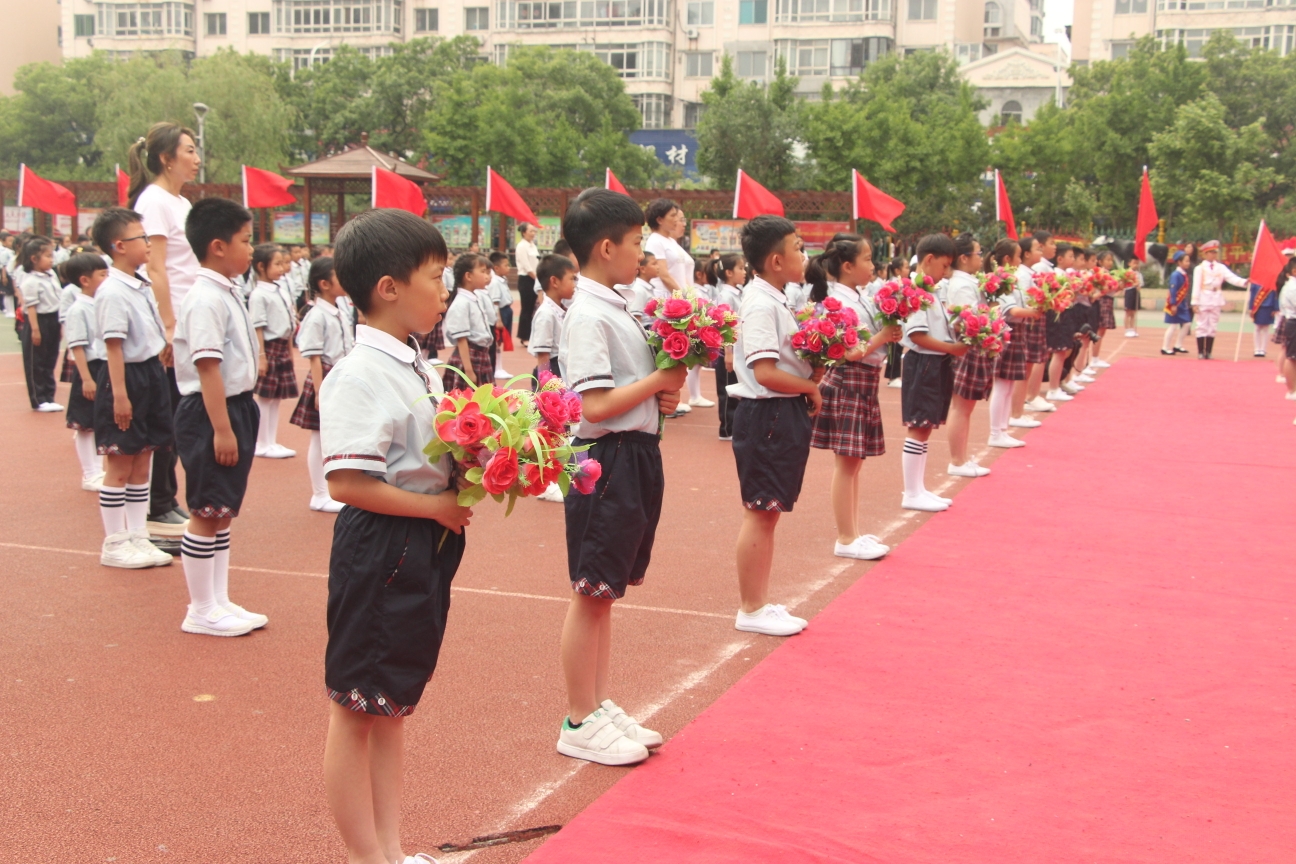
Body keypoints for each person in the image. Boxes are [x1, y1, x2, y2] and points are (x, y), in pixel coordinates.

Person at [319, 209, 471, 864]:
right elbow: (348, 483)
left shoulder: (418, 365)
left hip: (419, 544)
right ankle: (367, 856)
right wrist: (435, 506)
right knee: (358, 708)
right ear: (388, 287)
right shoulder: (358, 373)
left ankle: (391, 848)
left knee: (391, 705)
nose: (445, 290)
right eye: (436, 276)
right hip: (383, 546)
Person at [556, 188, 686, 765]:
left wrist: (665, 386)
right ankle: (578, 718)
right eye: (636, 244)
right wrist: (660, 381)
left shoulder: (617, 302)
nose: (644, 255)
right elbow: (595, 406)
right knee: (591, 591)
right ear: (606, 247)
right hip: (603, 461)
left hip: (634, 455)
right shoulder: (586, 314)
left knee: (605, 592)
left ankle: (599, 703)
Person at [172, 197, 265, 637]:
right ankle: (201, 607)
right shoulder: (205, 298)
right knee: (206, 509)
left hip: (233, 406)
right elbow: (207, 367)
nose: (252, 249)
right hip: (213, 412)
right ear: (218, 246)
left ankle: (219, 598)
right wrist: (222, 430)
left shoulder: (226, 291)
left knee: (223, 509)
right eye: (246, 240)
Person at [727, 215, 821, 636]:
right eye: (798, 247)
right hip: (768, 414)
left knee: (768, 512)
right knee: (761, 511)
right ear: (776, 261)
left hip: (780, 412)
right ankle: (751, 608)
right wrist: (809, 386)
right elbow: (763, 371)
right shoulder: (761, 303)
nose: (805, 254)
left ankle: (759, 602)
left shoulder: (775, 297)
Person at [90, 206, 176, 570]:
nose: (148, 244)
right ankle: (115, 542)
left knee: (144, 460)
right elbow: (114, 346)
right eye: (141, 238)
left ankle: (139, 535)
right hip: (125, 377)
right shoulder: (112, 290)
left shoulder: (139, 285)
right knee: (120, 464)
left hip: (151, 375)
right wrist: (120, 396)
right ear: (119, 245)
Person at [129, 121, 202, 539]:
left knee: (180, 409)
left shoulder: (180, 203)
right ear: (165, 158)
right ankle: (159, 502)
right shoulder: (154, 201)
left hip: (188, 316)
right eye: (188, 151)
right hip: (171, 320)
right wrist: (169, 324)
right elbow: (155, 266)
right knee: (170, 412)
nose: (195, 159)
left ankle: (165, 499)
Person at [806, 234, 898, 561]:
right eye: (868, 259)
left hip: (864, 381)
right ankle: (845, 536)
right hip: (849, 379)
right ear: (847, 266)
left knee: (854, 462)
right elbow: (847, 353)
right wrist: (882, 337)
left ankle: (854, 532)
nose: (873, 265)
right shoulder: (837, 302)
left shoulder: (856, 297)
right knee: (847, 463)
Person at [899, 234, 965, 512]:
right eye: (944, 265)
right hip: (923, 362)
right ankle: (911, 492)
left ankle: (919, 488)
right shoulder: (916, 291)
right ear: (929, 260)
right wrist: (953, 349)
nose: (946, 272)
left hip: (936, 362)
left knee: (926, 427)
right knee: (919, 425)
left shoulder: (933, 290)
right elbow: (919, 336)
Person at [291, 256, 353, 513]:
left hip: (339, 373)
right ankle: (318, 493)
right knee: (319, 437)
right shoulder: (316, 315)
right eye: (339, 275)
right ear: (324, 283)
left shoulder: (340, 308)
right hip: (325, 375)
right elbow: (314, 357)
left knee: (334, 436)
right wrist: (319, 391)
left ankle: (329, 490)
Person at [644, 198, 711, 412]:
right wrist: (681, 296)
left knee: (683, 347)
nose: (676, 219)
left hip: (682, 299)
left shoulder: (671, 241)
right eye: (672, 215)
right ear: (659, 219)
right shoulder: (655, 240)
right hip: (669, 300)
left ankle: (679, 395)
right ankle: (667, 396)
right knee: (670, 347)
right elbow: (662, 272)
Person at [944, 233, 995, 477]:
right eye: (978, 253)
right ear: (963, 258)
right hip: (968, 347)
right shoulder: (962, 284)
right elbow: (965, 322)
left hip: (971, 346)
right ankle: (957, 460)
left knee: (965, 407)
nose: (981, 257)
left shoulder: (967, 281)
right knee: (962, 407)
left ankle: (961, 458)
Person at [985, 239, 1041, 444]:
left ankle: (1002, 429)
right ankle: (995, 432)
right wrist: (1035, 312)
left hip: (1016, 329)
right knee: (1001, 383)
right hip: (1007, 331)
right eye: (1018, 256)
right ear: (1007, 259)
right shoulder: (1001, 280)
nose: (1020, 260)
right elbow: (1012, 310)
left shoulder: (1011, 278)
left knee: (1008, 384)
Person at [63, 252, 110, 491]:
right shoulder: (78, 309)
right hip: (89, 369)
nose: (107, 278)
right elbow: (78, 347)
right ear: (84, 280)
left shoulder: (101, 303)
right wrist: (87, 379)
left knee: (99, 420)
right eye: (102, 274)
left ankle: (99, 469)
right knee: (84, 424)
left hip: (103, 367)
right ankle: (89, 473)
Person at [248, 243, 299, 458]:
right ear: (261, 266)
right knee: (266, 398)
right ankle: (261, 443)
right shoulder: (259, 294)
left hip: (282, 345)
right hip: (269, 347)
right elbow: (258, 327)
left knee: (276, 398)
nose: (281, 268)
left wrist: (289, 349)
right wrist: (262, 357)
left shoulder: (279, 289)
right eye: (276, 264)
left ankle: (272, 440)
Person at [18, 236, 64, 412]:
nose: (51, 260)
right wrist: (35, 330)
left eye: (52, 256)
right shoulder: (31, 281)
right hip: (38, 320)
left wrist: (59, 325)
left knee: (50, 359)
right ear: (34, 259)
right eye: (47, 256)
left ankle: (49, 396)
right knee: (36, 361)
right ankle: (38, 399)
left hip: (53, 319)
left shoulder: (52, 276)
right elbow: (31, 307)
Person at [441, 253, 495, 391]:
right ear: (468, 276)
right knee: (468, 403)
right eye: (482, 272)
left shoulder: (474, 298)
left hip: (481, 354)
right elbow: (461, 339)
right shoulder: (461, 303)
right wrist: (469, 371)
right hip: (469, 357)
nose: (487, 276)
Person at [708, 254, 746, 441]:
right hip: (727, 350)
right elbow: (723, 325)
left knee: (735, 387)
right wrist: (728, 353)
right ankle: (726, 428)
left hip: (737, 349)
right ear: (729, 272)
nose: (744, 272)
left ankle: (734, 425)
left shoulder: (737, 292)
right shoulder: (725, 295)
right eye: (741, 268)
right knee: (727, 389)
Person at [1192, 239, 1247, 360]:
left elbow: (1232, 278)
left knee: (1212, 326)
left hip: (1216, 298)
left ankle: (1209, 351)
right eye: (1211, 252)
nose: (1214, 254)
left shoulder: (1220, 267)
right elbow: (1196, 286)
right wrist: (1194, 302)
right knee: (1201, 325)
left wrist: (1244, 282)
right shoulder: (1199, 269)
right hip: (1203, 297)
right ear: (1205, 254)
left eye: (1215, 252)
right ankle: (1201, 351)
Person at [529, 253, 575, 383]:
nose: (574, 284)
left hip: (562, 367)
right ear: (554, 281)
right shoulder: (546, 314)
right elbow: (543, 354)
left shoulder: (559, 309)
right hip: (552, 371)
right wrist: (546, 386)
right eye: (571, 279)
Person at [882, 256, 909, 388]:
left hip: (899, 320)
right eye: (906, 267)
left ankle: (894, 375)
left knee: (897, 349)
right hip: (893, 321)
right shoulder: (893, 285)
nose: (908, 270)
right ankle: (893, 376)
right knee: (894, 349)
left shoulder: (901, 283)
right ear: (897, 270)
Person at [488, 251, 514, 379]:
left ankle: (499, 366)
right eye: (506, 265)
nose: (508, 267)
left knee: (501, 341)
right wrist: (498, 319)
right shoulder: (495, 282)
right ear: (496, 268)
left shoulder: (502, 280)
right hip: (501, 312)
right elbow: (495, 302)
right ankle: (497, 367)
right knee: (498, 341)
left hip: (507, 310)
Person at [1162, 251, 1193, 356]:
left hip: (1182, 304)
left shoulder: (1183, 274)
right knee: (1173, 325)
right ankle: (1165, 347)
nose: (1188, 263)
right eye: (1186, 261)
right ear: (1179, 262)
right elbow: (1173, 289)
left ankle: (1178, 345)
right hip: (1175, 303)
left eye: (1189, 261)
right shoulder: (1176, 275)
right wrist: (1173, 304)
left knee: (1187, 323)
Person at [515, 222, 540, 343]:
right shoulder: (521, 246)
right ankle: (524, 336)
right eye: (531, 231)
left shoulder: (533, 245)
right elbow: (526, 266)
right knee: (526, 308)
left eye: (534, 231)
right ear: (524, 232)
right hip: (526, 279)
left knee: (533, 308)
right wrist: (537, 278)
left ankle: (531, 335)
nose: (533, 233)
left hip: (534, 279)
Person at [1250, 270, 1280, 358]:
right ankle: (1256, 349)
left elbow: (1276, 296)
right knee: (1257, 328)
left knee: (1266, 328)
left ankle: (1263, 349)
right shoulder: (1255, 282)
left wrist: (1275, 308)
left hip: (1269, 307)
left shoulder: (1272, 283)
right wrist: (1250, 308)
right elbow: (1252, 296)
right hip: (1257, 308)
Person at [1123, 260, 1142, 337]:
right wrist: (1134, 284)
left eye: (1137, 263)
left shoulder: (1139, 274)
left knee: (1134, 313)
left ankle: (1132, 329)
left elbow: (1140, 285)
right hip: (1129, 292)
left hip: (1136, 292)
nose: (1136, 265)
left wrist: (1138, 286)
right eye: (1134, 263)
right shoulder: (1126, 273)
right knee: (1128, 312)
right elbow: (1125, 284)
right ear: (1129, 263)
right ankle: (1127, 329)